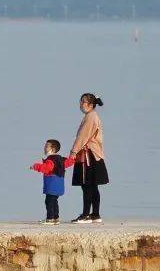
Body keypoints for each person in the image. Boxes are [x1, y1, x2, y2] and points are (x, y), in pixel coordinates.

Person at [66, 94, 109, 223]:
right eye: (80, 102)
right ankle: (95, 214)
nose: (80, 104)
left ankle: (85, 215)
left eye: (83, 102)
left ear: (90, 104)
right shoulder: (92, 116)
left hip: (88, 155)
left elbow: (83, 137)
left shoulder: (91, 117)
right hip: (94, 154)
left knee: (87, 185)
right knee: (93, 185)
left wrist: (73, 152)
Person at [30, 139, 66, 224]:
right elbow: (68, 162)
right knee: (54, 201)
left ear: (53, 149)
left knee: (49, 201)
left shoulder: (51, 159)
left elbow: (47, 168)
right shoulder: (61, 159)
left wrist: (35, 166)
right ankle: (56, 218)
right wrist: (73, 156)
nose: (44, 148)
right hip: (59, 185)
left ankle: (50, 218)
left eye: (46, 146)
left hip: (52, 184)